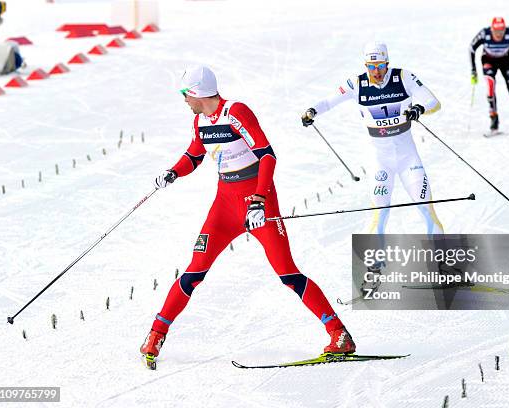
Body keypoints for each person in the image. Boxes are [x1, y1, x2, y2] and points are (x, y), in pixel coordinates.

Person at [140, 65, 356, 366]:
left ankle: (339, 334)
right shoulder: (200, 121)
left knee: (288, 274)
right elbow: (194, 154)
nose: (184, 101)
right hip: (224, 206)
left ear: (196, 93)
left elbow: (267, 155)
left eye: (185, 94)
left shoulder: (236, 112)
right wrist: (173, 172)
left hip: (258, 201)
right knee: (193, 272)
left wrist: (258, 200)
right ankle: (155, 335)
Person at [301, 42, 445, 287]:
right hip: (380, 160)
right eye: (371, 66)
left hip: (408, 157)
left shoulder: (403, 77)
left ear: (387, 63)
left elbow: (433, 102)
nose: (376, 71)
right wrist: (312, 110)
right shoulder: (357, 84)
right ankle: (375, 270)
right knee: (380, 213)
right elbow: (329, 101)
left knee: (427, 208)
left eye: (379, 66)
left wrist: (418, 109)